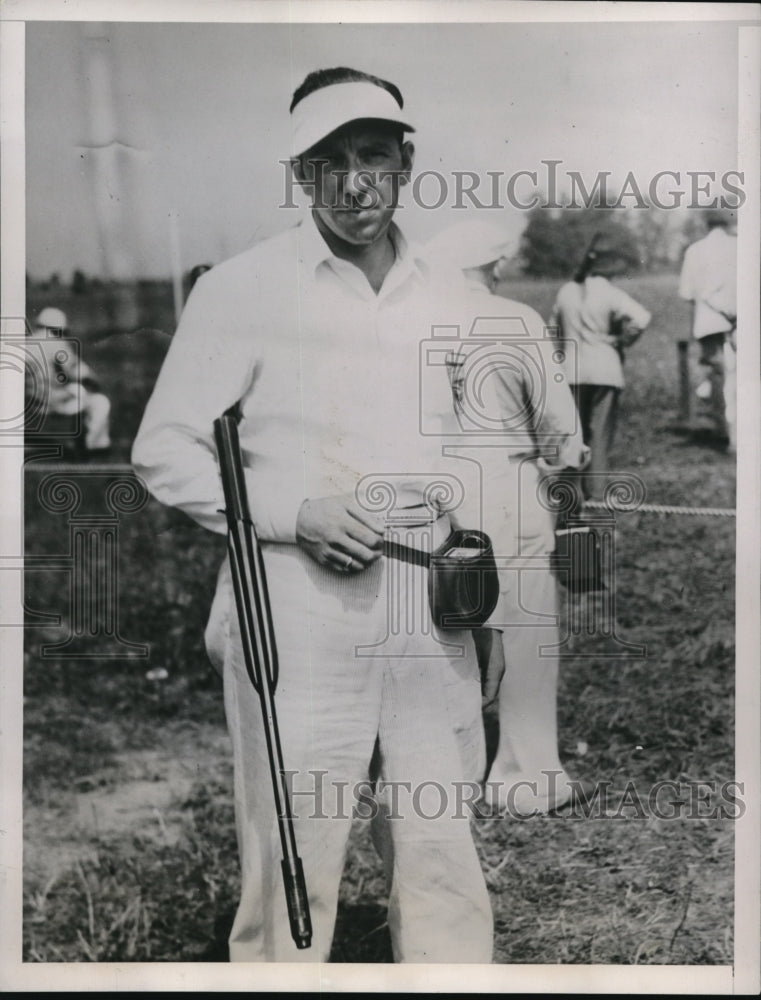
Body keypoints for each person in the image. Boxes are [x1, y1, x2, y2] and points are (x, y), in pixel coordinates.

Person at [132, 68, 502, 963]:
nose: (353, 181)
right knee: (292, 858)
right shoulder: (241, 288)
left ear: (405, 164)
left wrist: (490, 605)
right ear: (300, 177)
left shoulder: (456, 297)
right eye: (326, 162)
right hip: (294, 611)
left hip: (429, 612)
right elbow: (164, 448)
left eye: (373, 155)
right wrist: (294, 512)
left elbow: (485, 456)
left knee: (440, 851)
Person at [427, 220, 590, 815]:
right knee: (523, 632)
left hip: (436, 490)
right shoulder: (514, 319)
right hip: (509, 486)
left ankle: (447, 775)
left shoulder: (413, 319)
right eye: (495, 262)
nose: (500, 270)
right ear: (484, 267)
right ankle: (526, 778)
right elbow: (558, 425)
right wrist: (569, 459)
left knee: (449, 625)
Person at [549, 234, 651, 500]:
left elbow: (552, 331)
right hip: (605, 370)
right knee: (600, 438)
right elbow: (642, 318)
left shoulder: (566, 291)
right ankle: (595, 497)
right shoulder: (610, 292)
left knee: (574, 436)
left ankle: (570, 498)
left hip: (571, 371)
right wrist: (621, 339)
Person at [678, 207, 737, 448]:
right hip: (738, 319)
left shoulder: (694, 250)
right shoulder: (737, 246)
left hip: (708, 322)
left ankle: (725, 431)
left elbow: (686, 292)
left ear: (707, 225)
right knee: (739, 374)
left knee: (718, 376)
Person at [26, 306, 111, 456]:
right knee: (99, 401)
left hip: (27, 403)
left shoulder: (25, 344)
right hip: (54, 401)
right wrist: (94, 382)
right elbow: (77, 372)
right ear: (60, 328)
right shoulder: (57, 343)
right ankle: (93, 446)